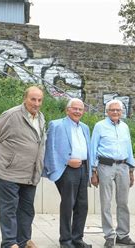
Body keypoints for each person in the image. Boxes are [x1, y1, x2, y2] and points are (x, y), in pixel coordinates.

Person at [0, 85, 46, 248]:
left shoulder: (41, 117)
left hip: (30, 173)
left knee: (27, 210)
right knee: (9, 209)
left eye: (39, 100)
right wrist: (6, 159)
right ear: (25, 99)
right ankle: (9, 242)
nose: (36, 103)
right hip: (8, 173)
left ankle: (24, 240)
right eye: (33, 99)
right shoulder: (11, 115)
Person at [43, 98, 92, 248]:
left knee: (82, 205)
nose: (78, 111)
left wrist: (90, 170)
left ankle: (77, 239)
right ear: (67, 110)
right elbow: (50, 149)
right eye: (74, 108)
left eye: (80, 109)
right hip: (67, 170)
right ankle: (65, 241)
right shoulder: (56, 125)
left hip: (83, 168)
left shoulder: (85, 127)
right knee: (67, 205)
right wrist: (66, 161)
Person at [89, 99, 135, 248]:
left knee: (123, 202)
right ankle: (109, 235)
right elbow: (93, 148)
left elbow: (128, 148)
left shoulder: (125, 127)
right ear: (107, 111)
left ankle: (123, 234)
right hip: (105, 166)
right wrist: (93, 171)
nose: (115, 112)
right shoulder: (99, 126)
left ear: (122, 112)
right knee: (106, 202)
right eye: (112, 110)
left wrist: (131, 169)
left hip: (123, 166)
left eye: (118, 110)